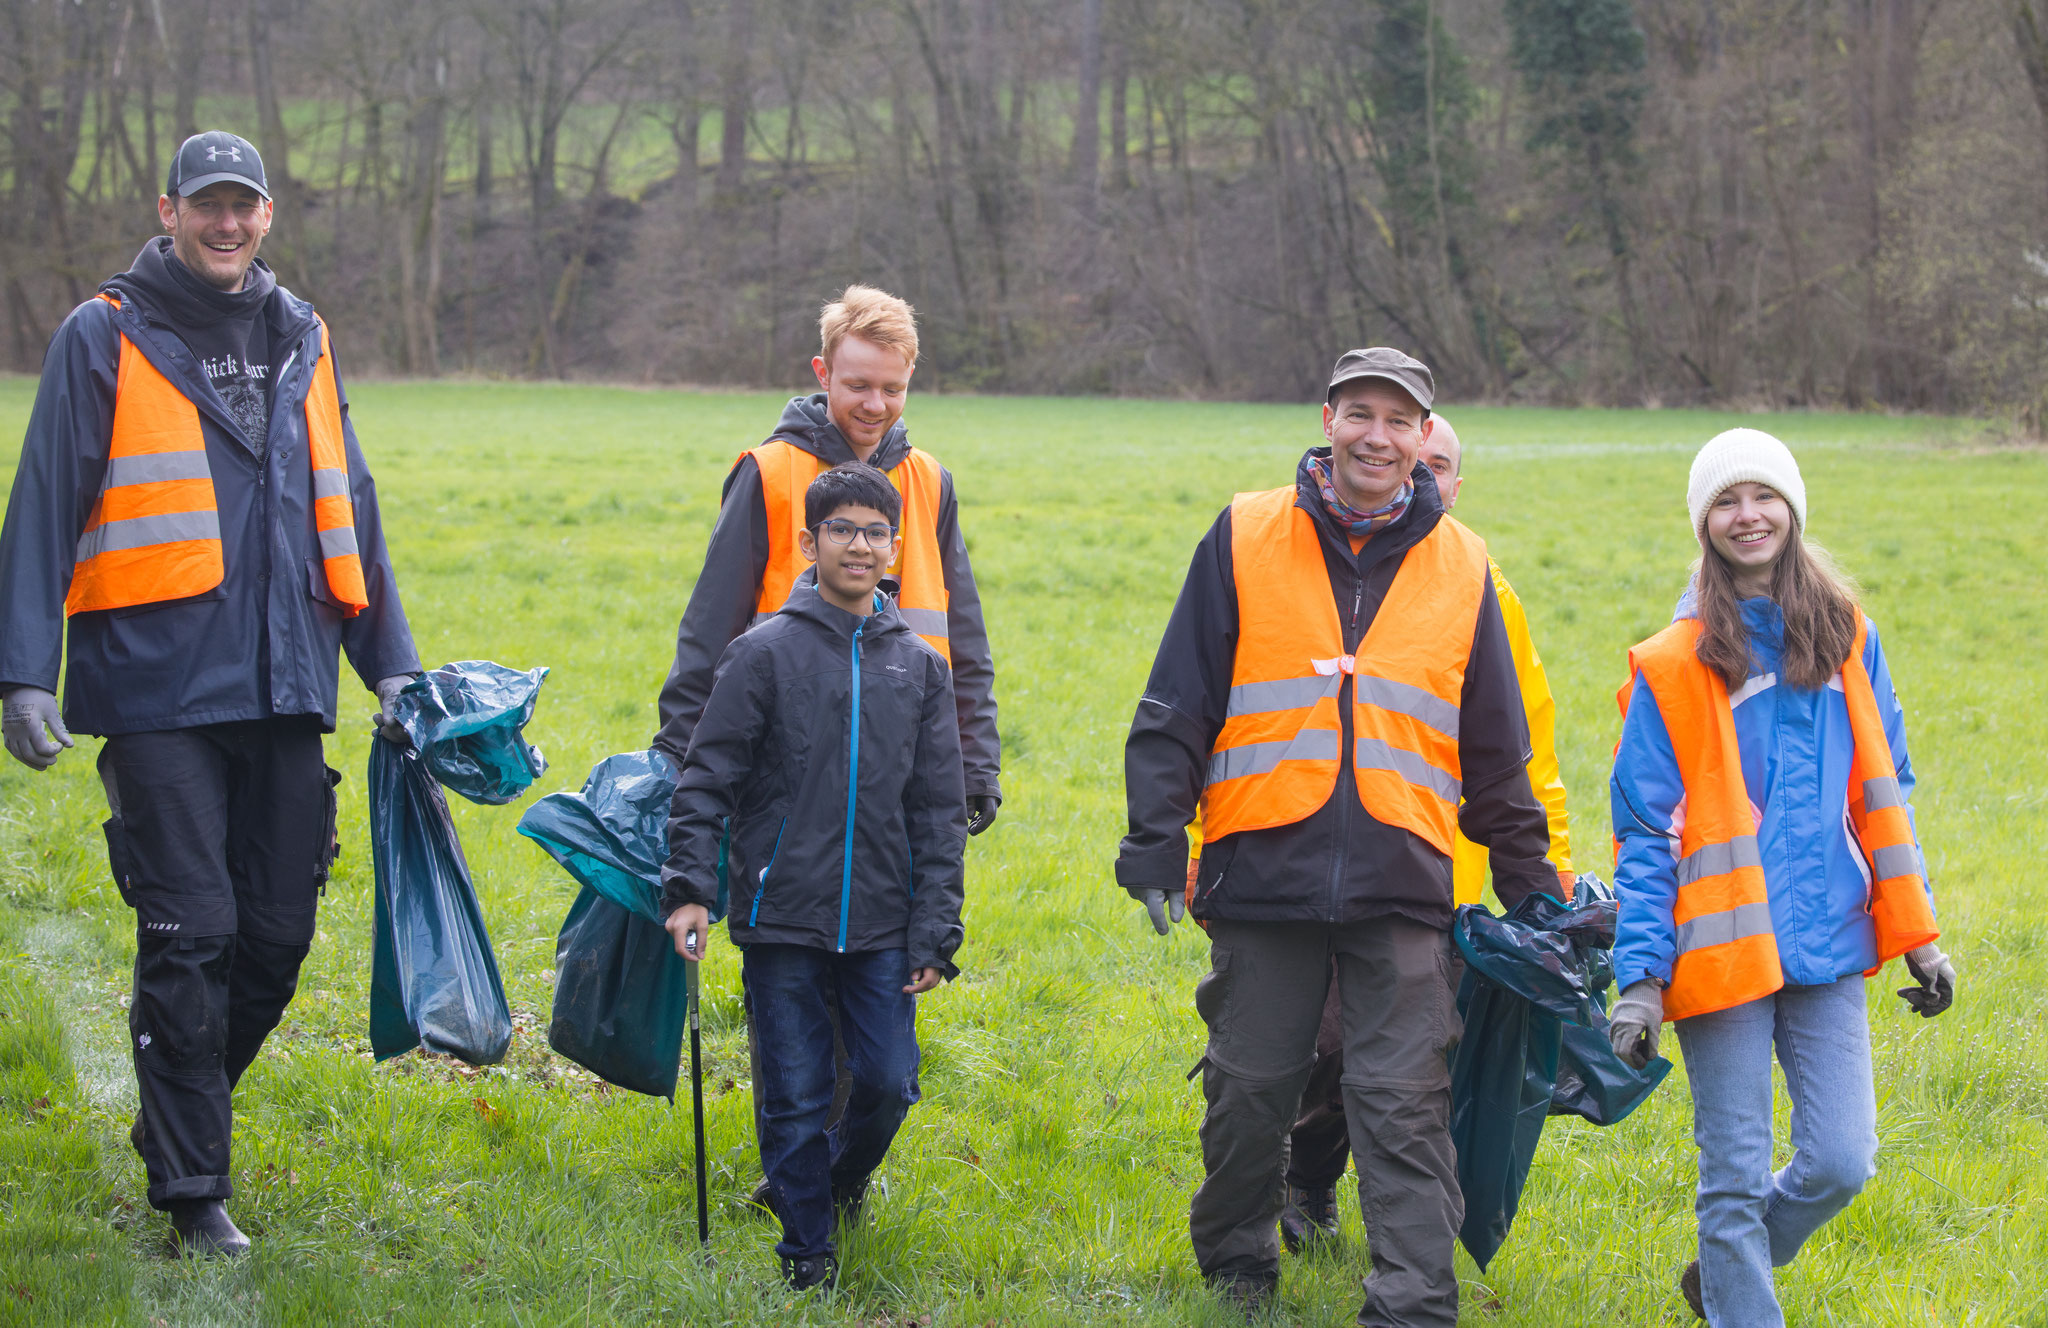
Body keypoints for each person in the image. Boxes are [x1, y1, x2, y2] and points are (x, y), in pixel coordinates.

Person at [0, 132, 419, 1256]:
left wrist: (396, 664)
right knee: (193, 932)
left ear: (267, 214)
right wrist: (22, 672)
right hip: (156, 685)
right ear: (169, 208)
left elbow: (352, 504)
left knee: (275, 936)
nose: (226, 224)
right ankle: (193, 1190)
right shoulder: (107, 331)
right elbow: (45, 501)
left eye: (245, 206)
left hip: (288, 682)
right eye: (206, 206)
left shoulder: (305, 335)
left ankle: (175, 1107)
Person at [1116, 347, 1558, 1325]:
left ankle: (1410, 1301)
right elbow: (1175, 701)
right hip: (1261, 870)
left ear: (1420, 438)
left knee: (1402, 1102)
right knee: (1247, 1092)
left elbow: (1494, 749)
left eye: (1398, 421)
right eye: (1360, 412)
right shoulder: (1242, 533)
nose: (1377, 435)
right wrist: (1152, 837)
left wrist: (1535, 888)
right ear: (1326, 418)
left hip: (1401, 878)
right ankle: (1235, 1265)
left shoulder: (1464, 565)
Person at [1604, 429, 1957, 1325]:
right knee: (1731, 1175)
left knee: (1843, 1158)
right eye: (1726, 501)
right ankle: (1740, 1301)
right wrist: (1640, 983)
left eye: (1763, 496)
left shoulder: (1848, 637)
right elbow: (1644, 831)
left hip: (1832, 938)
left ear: (1792, 509)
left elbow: (1885, 792)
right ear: (1704, 524)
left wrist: (1918, 936)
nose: (1747, 514)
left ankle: (1726, 1272)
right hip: (1720, 950)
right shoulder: (1675, 664)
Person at [1273, 409, 1579, 1253]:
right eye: (1422, 464)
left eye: (1442, 468)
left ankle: (1381, 1231)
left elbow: (1527, 749)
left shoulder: (1482, 584)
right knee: (1322, 1042)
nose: (1426, 480)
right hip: (1315, 858)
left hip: (1441, 876)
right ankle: (1302, 1179)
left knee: (1403, 1065)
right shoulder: (1317, 565)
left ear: (1454, 479)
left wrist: (1545, 869)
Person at [660, 462, 967, 1294]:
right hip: (779, 914)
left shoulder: (921, 669)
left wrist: (935, 926)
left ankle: (828, 1183)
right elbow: (706, 778)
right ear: (810, 541)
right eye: (842, 530)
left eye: (874, 532)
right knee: (793, 1091)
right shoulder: (762, 654)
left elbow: (940, 810)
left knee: (887, 1082)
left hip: (881, 919)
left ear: (895, 546)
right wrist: (690, 886)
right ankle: (807, 1253)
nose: (859, 545)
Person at [652, 283, 998, 831]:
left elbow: (963, 631)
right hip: (784, 757)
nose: (875, 405)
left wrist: (975, 759)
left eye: (893, 388)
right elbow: (709, 627)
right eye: (858, 385)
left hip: (904, 753)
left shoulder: (929, 480)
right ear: (822, 373)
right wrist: (678, 759)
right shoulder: (767, 472)